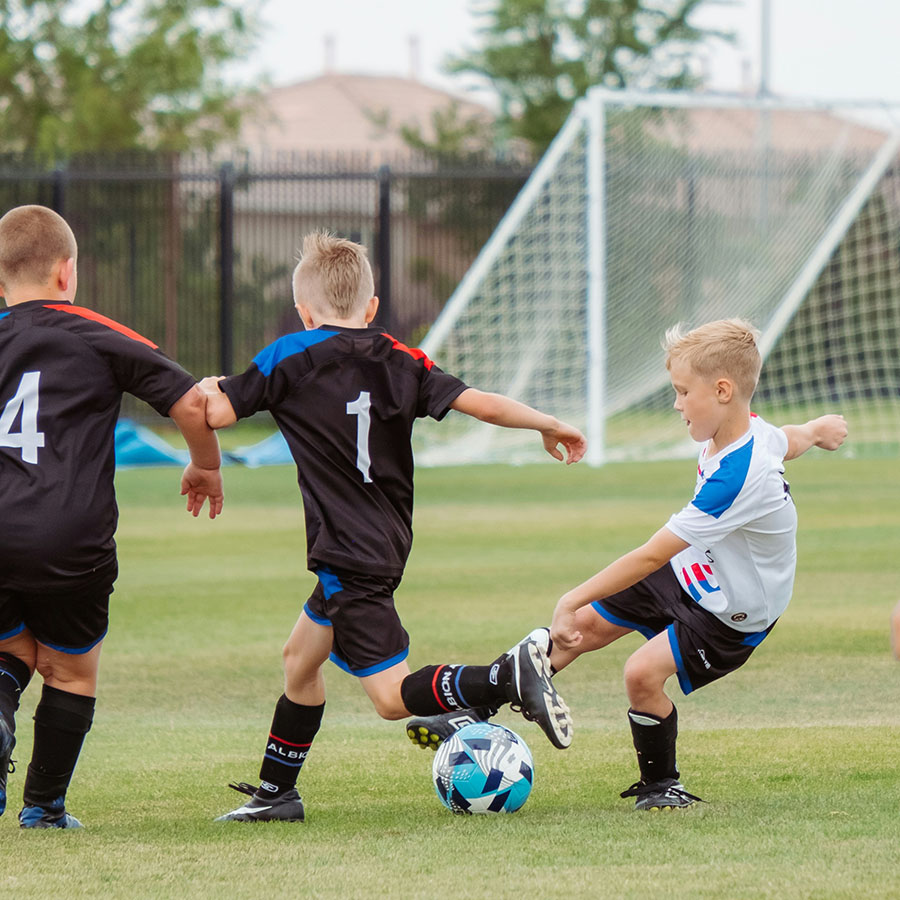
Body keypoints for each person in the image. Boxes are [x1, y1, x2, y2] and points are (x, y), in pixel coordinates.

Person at [201, 230, 585, 823]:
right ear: (372, 308)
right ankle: (278, 792)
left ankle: (504, 677)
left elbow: (218, 412)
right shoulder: (403, 360)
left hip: (345, 553)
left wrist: (204, 390)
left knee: (388, 699)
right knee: (300, 660)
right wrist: (548, 423)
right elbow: (478, 401)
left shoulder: (289, 355)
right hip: (384, 541)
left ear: (303, 312)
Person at [408, 318, 848, 811]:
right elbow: (785, 439)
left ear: (723, 391)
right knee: (585, 628)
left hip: (733, 612)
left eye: (683, 392)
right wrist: (817, 429)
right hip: (694, 568)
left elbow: (650, 554)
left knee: (640, 673)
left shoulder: (739, 477)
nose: (677, 403)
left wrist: (571, 597)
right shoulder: (747, 434)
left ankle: (663, 785)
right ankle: (475, 709)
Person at [0, 204, 224, 829]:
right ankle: (42, 808)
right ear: (67, 272)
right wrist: (205, 465)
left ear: (0, 279)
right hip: (70, 533)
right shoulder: (96, 332)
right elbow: (189, 402)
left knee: (9, 650)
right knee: (69, 669)